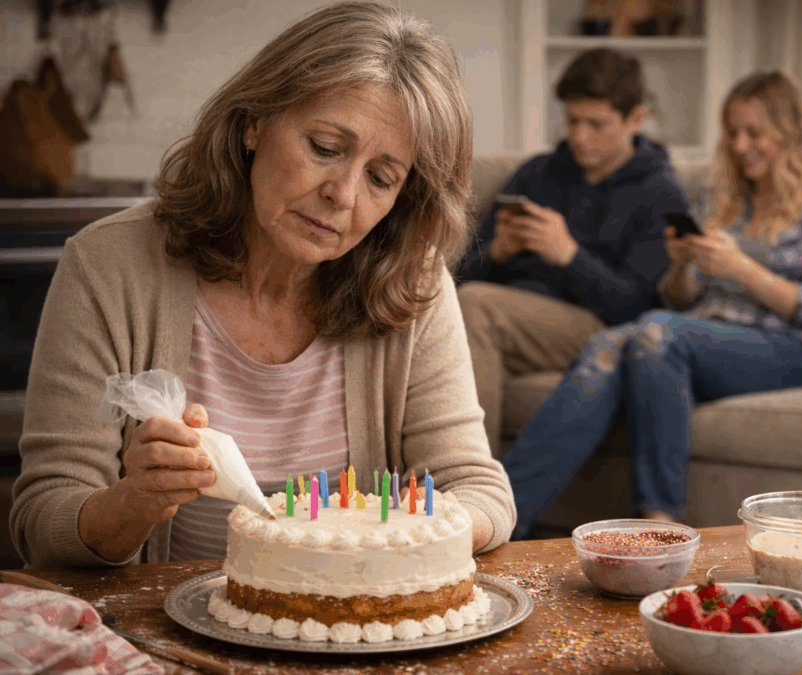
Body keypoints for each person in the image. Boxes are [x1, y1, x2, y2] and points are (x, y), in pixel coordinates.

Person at [10, 1, 515, 568]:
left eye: (381, 178)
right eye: (325, 148)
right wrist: (133, 503)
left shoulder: (411, 280)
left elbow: (479, 491)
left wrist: (395, 539)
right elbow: (42, 518)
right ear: (255, 122)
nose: (343, 195)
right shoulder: (109, 264)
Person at [501, 71, 802, 539]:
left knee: (653, 332)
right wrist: (679, 266)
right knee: (616, 341)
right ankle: (503, 517)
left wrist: (740, 268)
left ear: (790, 132)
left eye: (755, 133)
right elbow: (680, 298)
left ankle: (659, 523)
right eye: (732, 132)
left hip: (787, 349)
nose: (740, 144)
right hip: (699, 338)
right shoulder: (723, 197)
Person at [456, 48, 691, 452]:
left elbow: (636, 308)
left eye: (596, 124)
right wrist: (497, 253)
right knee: (444, 306)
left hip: (593, 326)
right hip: (511, 314)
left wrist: (569, 255)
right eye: (572, 120)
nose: (580, 136)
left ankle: (473, 490)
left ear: (635, 118)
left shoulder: (660, 193)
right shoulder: (537, 173)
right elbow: (459, 280)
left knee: (476, 308)